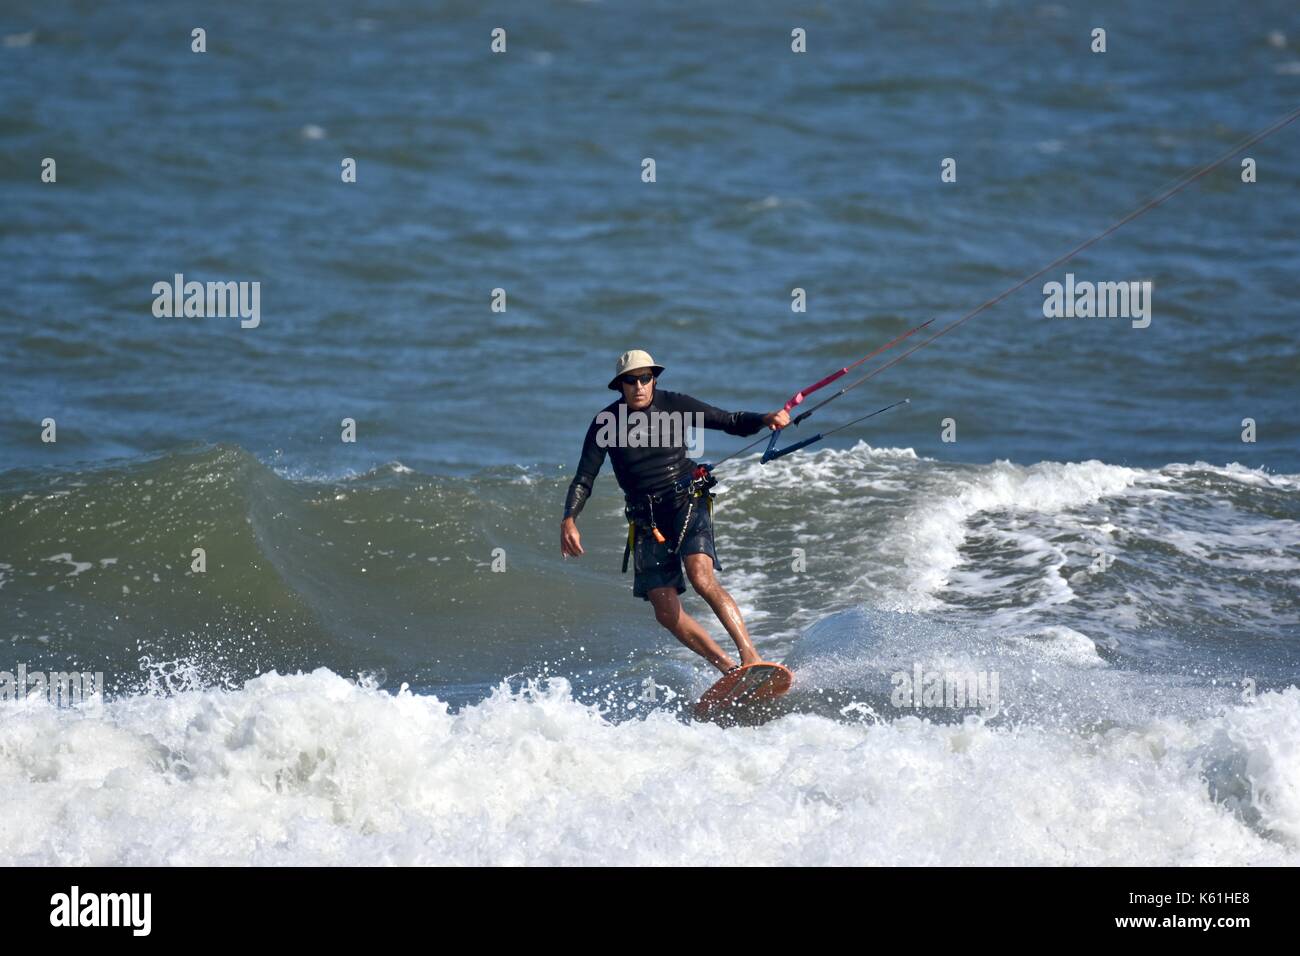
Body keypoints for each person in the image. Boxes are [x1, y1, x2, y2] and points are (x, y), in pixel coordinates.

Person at [560, 349, 790, 674]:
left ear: (654, 379)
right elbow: (585, 477)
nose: (639, 386)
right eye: (631, 380)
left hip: (686, 500)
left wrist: (765, 419)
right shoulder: (605, 424)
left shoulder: (675, 405)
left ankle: (750, 655)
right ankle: (729, 670)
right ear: (619, 386)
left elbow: (730, 421)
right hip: (646, 519)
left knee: (701, 576)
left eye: (645, 378)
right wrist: (570, 517)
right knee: (665, 611)